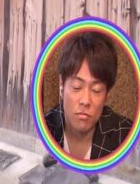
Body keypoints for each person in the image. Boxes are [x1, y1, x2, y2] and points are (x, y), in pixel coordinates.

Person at [44, 31, 133, 160]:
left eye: (96, 90)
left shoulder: (126, 135)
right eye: (76, 87)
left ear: (107, 93)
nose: (85, 100)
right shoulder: (45, 127)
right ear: (62, 84)